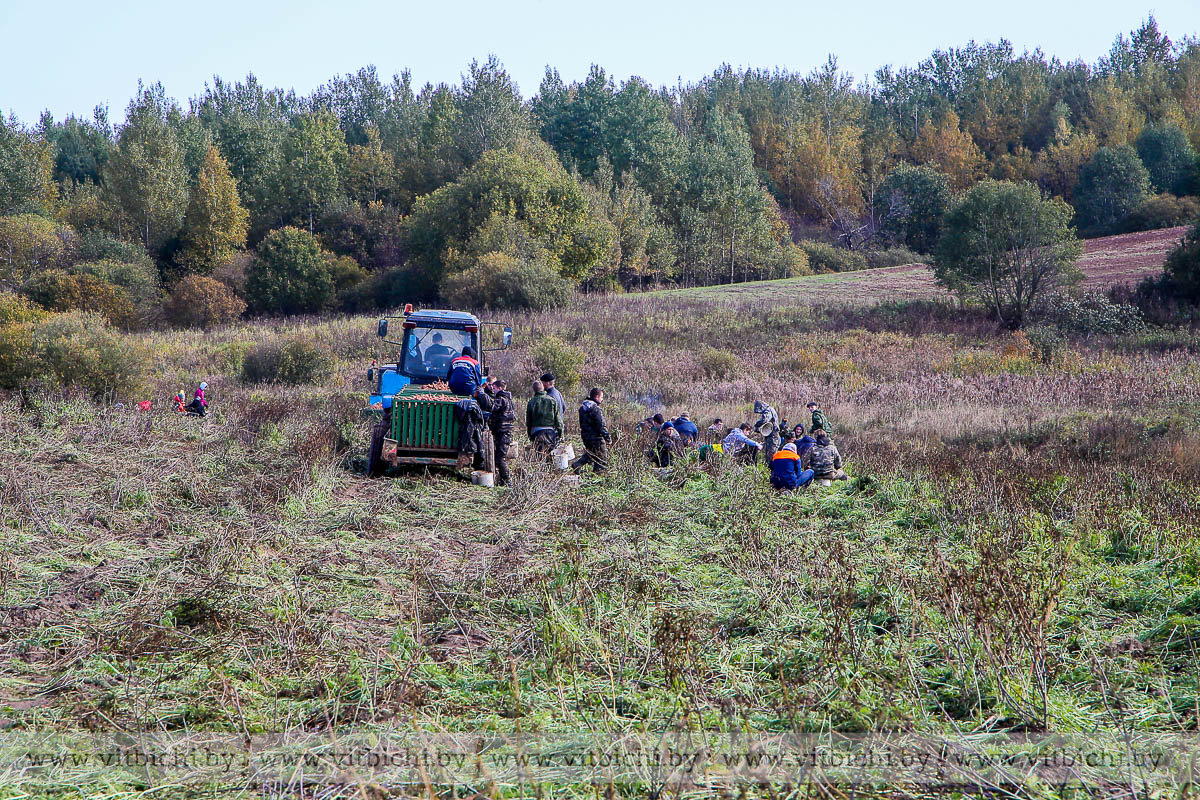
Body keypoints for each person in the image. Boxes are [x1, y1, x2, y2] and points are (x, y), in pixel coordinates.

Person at [572, 387, 611, 473]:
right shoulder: (595, 409)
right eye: (601, 397)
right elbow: (601, 425)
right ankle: (598, 476)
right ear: (597, 397)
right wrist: (607, 437)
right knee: (601, 458)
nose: (602, 399)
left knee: (592, 453)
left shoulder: (582, 408)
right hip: (596, 437)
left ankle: (577, 465)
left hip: (585, 435)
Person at [485, 379, 516, 486]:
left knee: (500, 457)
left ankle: (508, 481)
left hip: (503, 432)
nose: (493, 390)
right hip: (504, 431)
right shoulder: (508, 399)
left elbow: (491, 406)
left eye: (494, 388)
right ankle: (502, 480)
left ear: (500, 388)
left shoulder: (501, 399)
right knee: (499, 456)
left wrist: (482, 395)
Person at [526, 380, 564, 455]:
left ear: (534, 390)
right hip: (550, 432)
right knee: (551, 455)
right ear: (543, 388)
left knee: (540, 456)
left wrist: (530, 435)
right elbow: (558, 420)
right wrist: (560, 434)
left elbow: (528, 421)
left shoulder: (531, 402)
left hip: (536, 432)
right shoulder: (552, 401)